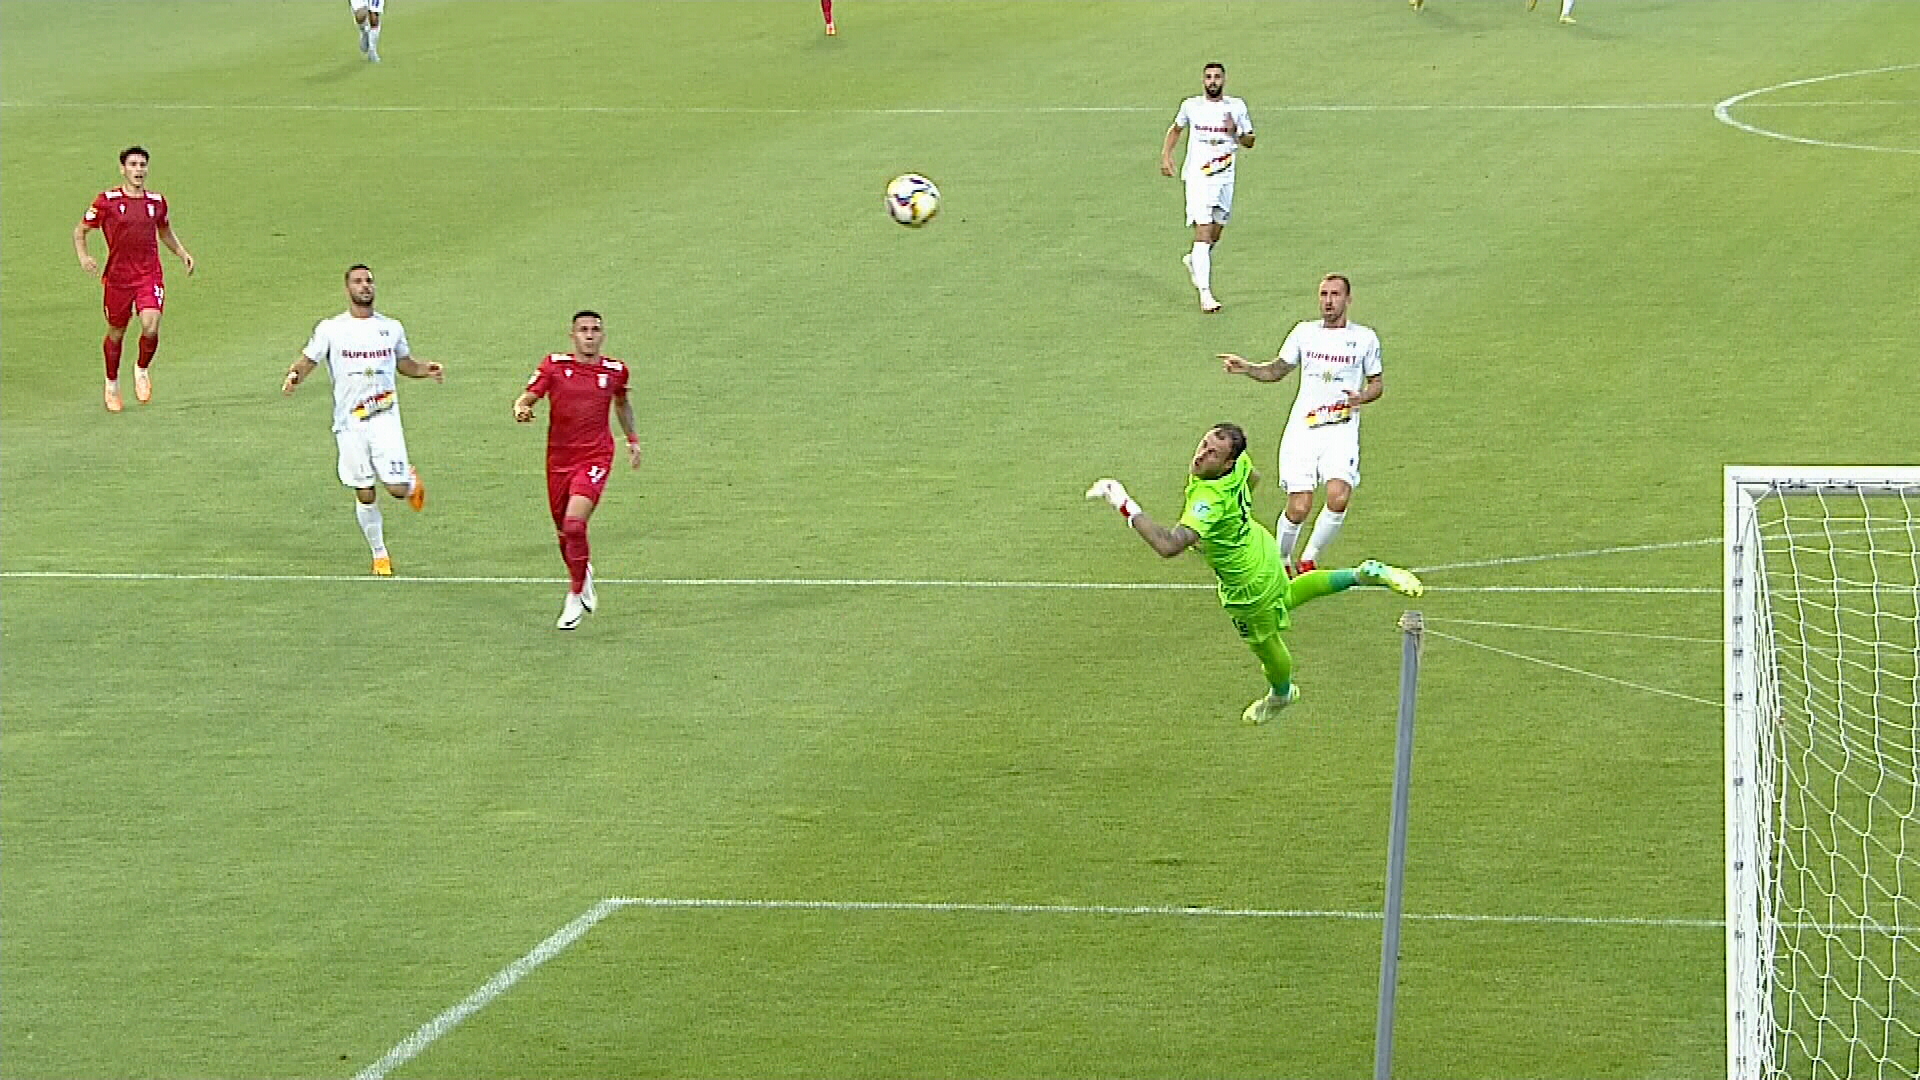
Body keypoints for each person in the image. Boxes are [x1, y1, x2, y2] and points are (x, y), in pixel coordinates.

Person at [1086, 423, 1422, 724]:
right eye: (1203, 445)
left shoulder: (1208, 500)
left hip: (1246, 584)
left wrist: (1123, 502)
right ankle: (1361, 574)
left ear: (1227, 463)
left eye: (1212, 453)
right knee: (1288, 594)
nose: (1201, 455)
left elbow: (1169, 545)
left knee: (1265, 643)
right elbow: (1253, 479)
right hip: (1263, 551)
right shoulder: (1239, 465)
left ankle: (1281, 693)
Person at [283, 265, 442, 576]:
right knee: (365, 490)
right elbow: (309, 359)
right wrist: (294, 376)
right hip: (349, 424)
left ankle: (409, 481)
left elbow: (404, 364)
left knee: (395, 490)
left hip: (384, 419)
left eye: (369, 281)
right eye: (358, 282)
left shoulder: (391, 328)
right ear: (347, 289)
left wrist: (426, 369)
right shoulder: (331, 328)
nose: (365, 286)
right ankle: (379, 554)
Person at [1219, 273, 1382, 575]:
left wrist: (1361, 397)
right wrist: (1247, 368)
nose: (1328, 301)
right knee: (1299, 506)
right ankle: (1280, 560)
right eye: (1323, 295)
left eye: (1334, 294)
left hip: (1341, 431)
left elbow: (1377, 384)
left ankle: (1310, 557)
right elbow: (1276, 371)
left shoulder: (1364, 338)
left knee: (1339, 495)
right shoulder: (1304, 333)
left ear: (1348, 299)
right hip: (1303, 431)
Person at [512, 311, 643, 630]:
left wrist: (632, 439)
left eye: (595, 330)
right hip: (558, 459)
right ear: (572, 336)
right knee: (563, 533)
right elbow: (529, 396)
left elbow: (622, 403)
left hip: (596, 456)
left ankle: (573, 595)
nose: (589, 335)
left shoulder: (615, 371)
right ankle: (582, 575)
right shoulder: (555, 367)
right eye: (583, 330)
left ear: (603, 335)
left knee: (574, 525)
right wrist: (522, 407)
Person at [73, 146, 196, 413]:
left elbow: (165, 231)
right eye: (133, 165)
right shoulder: (107, 201)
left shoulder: (157, 202)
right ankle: (112, 384)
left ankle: (141, 369)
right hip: (118, 279)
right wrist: (84, 257)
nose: (139, 170)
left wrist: (182, 252)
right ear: (123, 169)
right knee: (117, 332)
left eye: (142, 165)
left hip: (148, 274)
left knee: (151, 325)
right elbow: (80, 231)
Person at [1161, 62, 1254, 315]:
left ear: (1224, 80)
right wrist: (1166, 155)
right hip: (1198, 178)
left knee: (1215, 234)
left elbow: (1250, 141)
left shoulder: (1236, 107)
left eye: (1217, 77)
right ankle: (1205, 294)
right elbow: (1176, 129)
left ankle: (1195, 260)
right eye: (1209, 77)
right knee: (1202, 234)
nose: (1213, 81)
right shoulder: (1191, 106)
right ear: (1203, 81)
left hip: (1225, 177)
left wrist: (1236, 133)